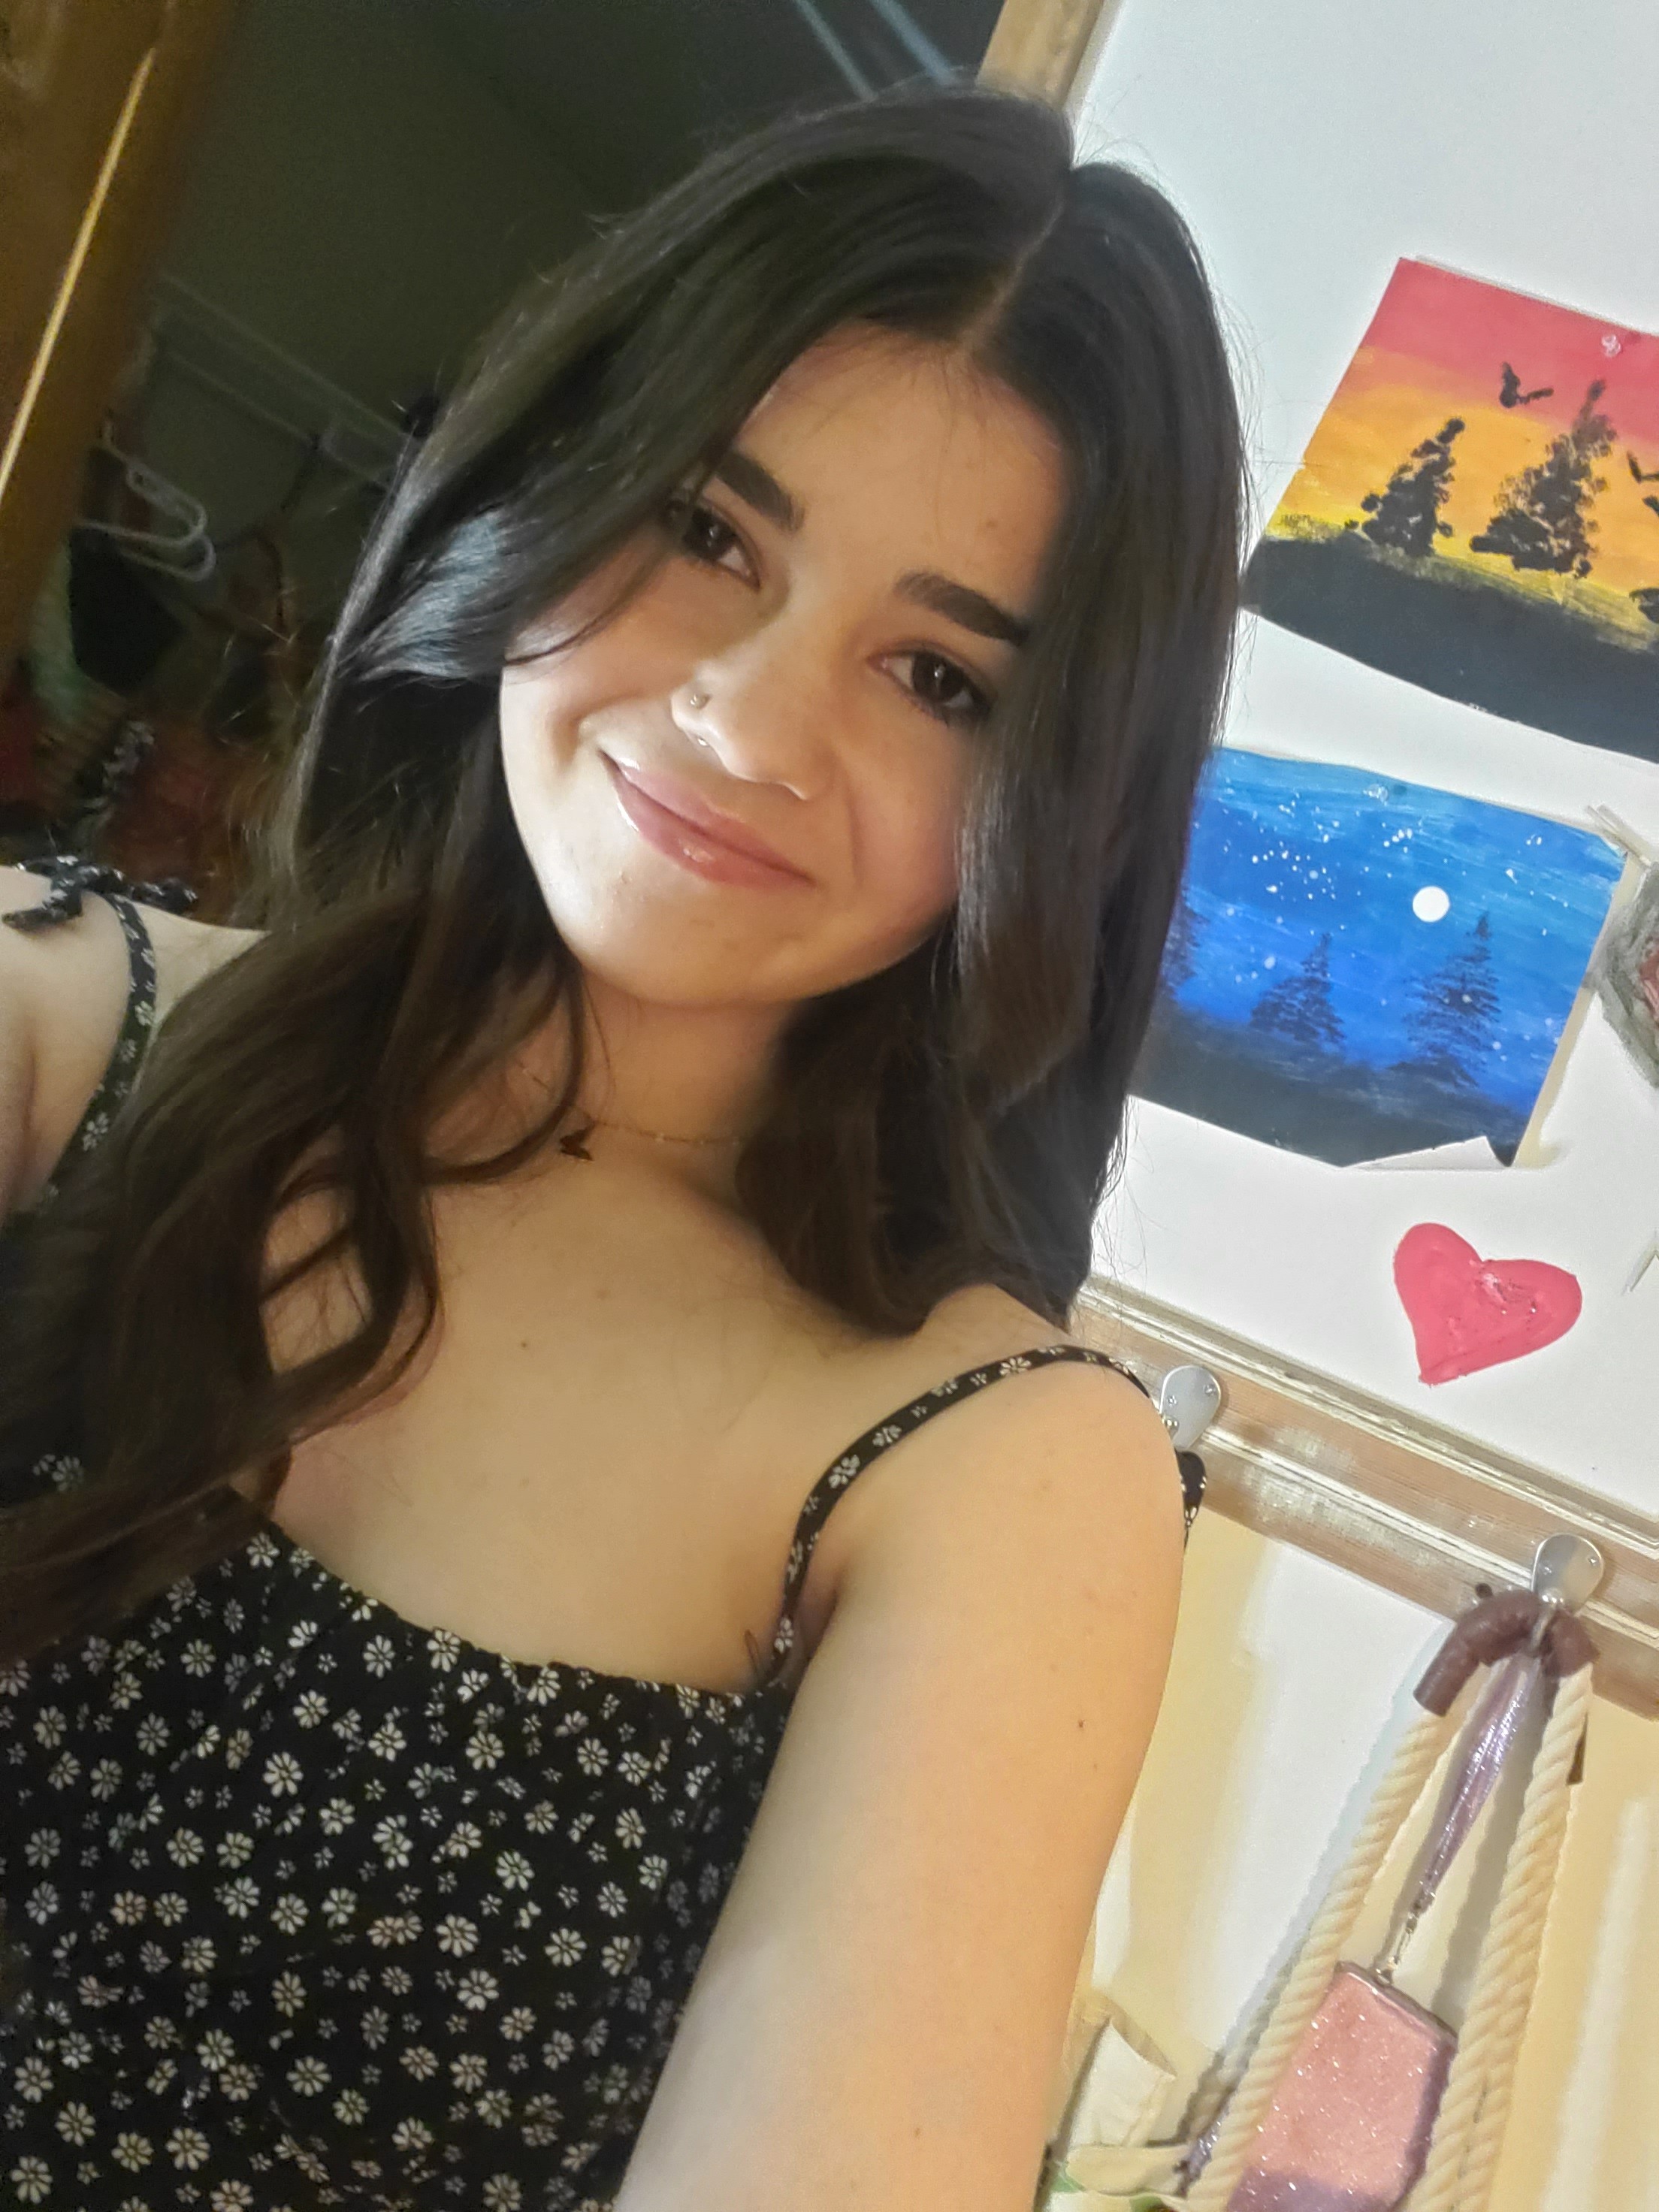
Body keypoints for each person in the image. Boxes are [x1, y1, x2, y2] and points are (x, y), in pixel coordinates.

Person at [0, 78, 1241, 2212]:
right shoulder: (60, 1028)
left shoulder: (987, 1472)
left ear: (1063, 805)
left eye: (939, 677)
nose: (751, 719)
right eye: (709, 532)